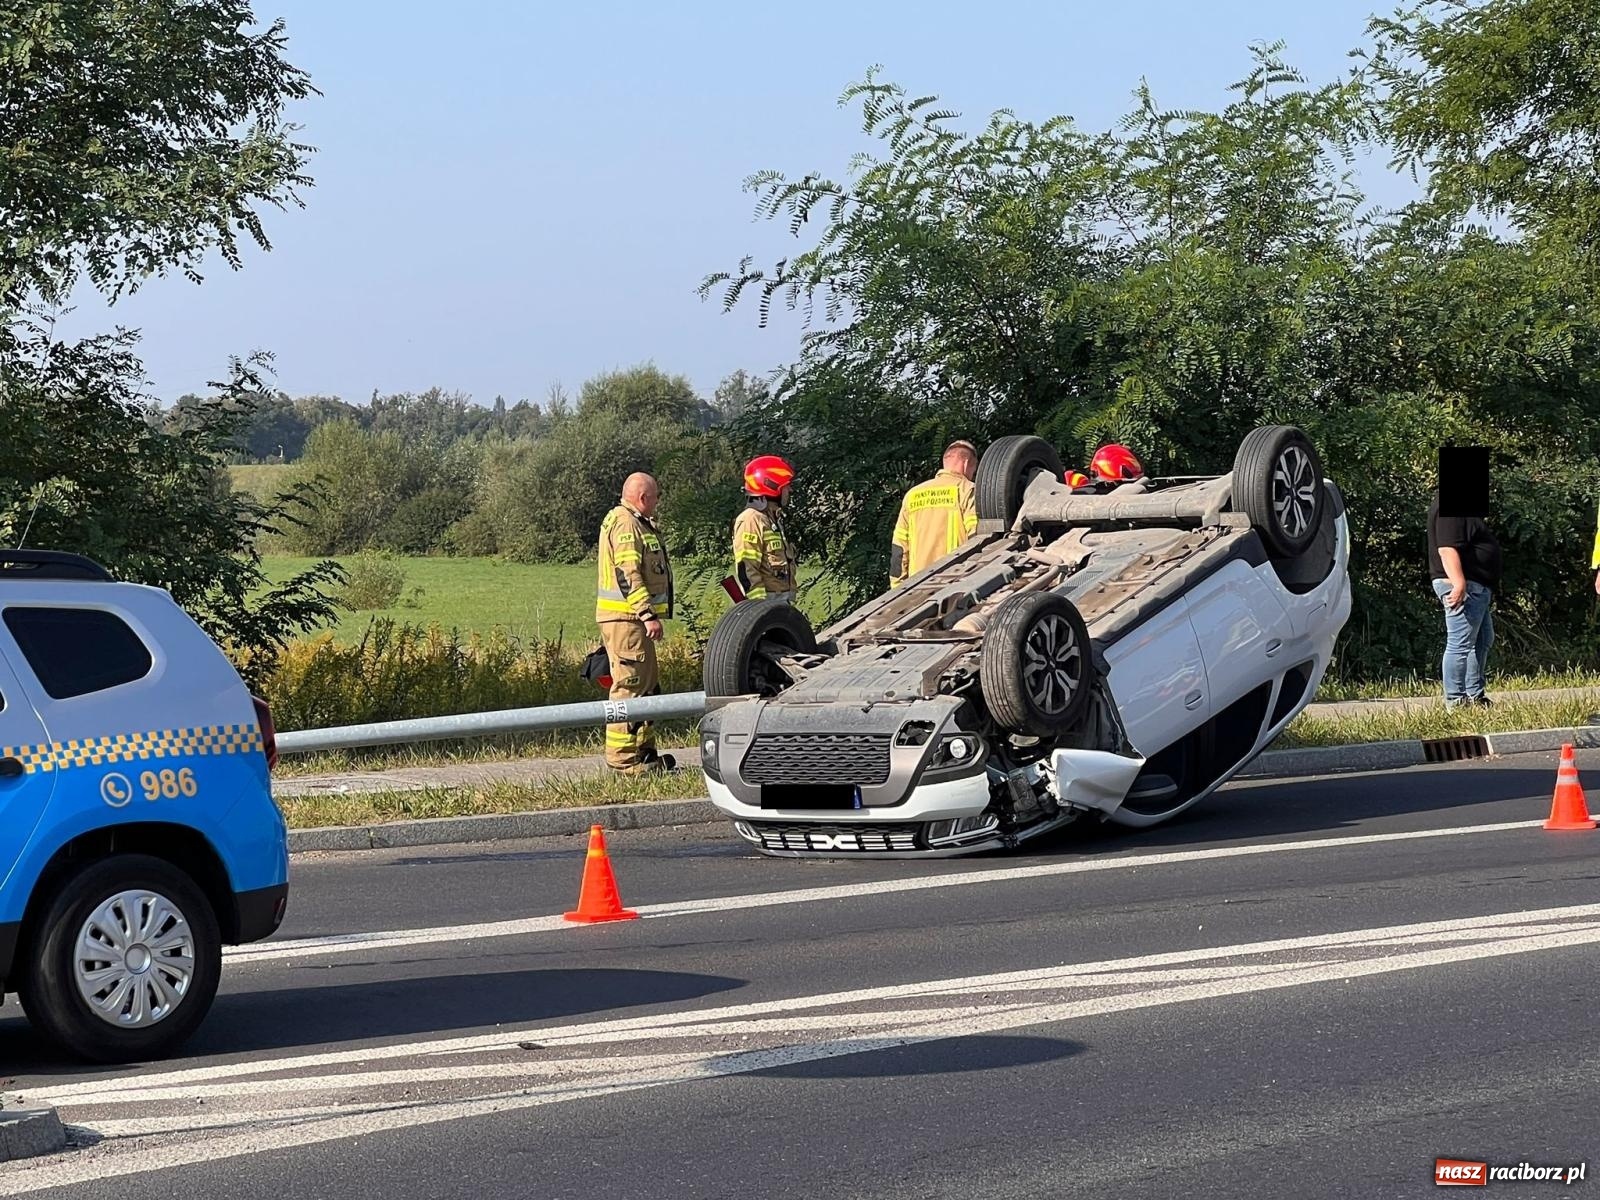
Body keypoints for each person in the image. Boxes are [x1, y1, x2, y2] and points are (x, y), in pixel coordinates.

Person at [595, 472, 675, 773]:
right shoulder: (627, 523)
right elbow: (628, 573)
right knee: (629, 687)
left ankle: (644, 752)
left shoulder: (632, 520)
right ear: (643, 498)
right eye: (656, 497)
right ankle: (623, 761)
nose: (657, 503)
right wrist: (646, 614)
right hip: (628, 620)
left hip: (632, 621)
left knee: (647, 686)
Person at [1427, 491, 1501, 708]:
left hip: (1474, 584)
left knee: (1483, 638)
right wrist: (1459, 583)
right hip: (1463, 584)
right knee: (1460, 644)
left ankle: (1474, 694)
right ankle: (1456, 700)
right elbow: (1447, 549)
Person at [889, 440, 979, 588]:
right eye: (973, 470)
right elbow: (977, 537)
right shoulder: (967, 490)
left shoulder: (913, 495)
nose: (972, 475)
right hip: (954, 582)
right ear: (966, 463)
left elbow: (899, 547)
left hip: (917, 586)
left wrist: (897, 588)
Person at [733, 454, 798, 601]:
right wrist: (759, 607)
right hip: (766, 607)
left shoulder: (771, 519)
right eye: (786, 486)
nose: (790, 491)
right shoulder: (751, 520)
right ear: (772, 486)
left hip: (780, 607)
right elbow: (747, 567)